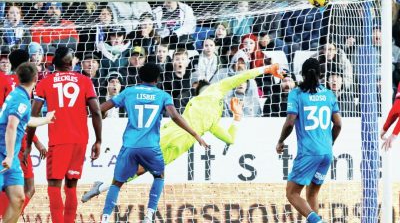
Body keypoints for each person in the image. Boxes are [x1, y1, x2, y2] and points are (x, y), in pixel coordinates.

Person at [82, 63, 284, 205]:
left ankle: (102, 187)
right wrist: (265, 69)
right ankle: (106, 188)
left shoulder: (213, 120)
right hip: (172, 133)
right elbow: (240, 77)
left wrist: (237, 119)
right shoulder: (214, 91)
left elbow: (230, 138)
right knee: (139, 166)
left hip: (179, 147)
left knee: (142, 171)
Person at [99, 63, 209, 223]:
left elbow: (102, 107)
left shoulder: (129, 92)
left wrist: (100, 114)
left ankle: (105, 218)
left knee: (117, 182)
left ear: (139, 77)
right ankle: (149, 215)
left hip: (130, 146)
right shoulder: (163, 95)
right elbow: (175, 116)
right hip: (151, 147)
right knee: (159, 176)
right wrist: (195, 134)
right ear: (158, 78)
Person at [26, 47, 102, 223]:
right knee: (71, 186)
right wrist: (98, 140)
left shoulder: (45, 82)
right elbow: (96, 112)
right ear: (70, 62)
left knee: (54, 186)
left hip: (59, 140)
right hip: (80, 140)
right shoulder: (84, 80)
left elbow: (34, 114)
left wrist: (29, 142)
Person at [275, 58, 342, 223]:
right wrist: (329, 142)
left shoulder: (296, 93)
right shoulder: (328, 94)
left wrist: (280, 141)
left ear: (302, 74)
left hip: (309, 152)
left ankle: (318, 222)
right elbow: (338, 124)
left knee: (292, 193)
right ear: (320, 75)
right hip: (327, 153)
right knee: (312, 193)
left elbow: (290, 122)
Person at [0, 62, 55, 223]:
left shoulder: (18, 94)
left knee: (18, 199)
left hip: (10, 158)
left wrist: (46, 119)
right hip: (4, 155)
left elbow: (25, 120)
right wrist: (10, 156)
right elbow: (11, 125)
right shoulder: (21, 100)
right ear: (36, 78)